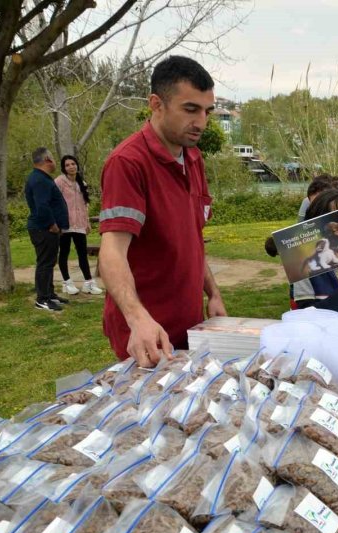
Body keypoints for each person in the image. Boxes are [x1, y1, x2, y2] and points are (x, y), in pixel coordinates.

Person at [98, 56, 226, 366]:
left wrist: (213, 294)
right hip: (147, 335)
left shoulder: (193, 158)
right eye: (190, 109)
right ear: (156, 104)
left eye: (207, 111)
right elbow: (112, 251)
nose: (201, 123)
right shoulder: (128, 162)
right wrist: (137, 318)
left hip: (191, 327)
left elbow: (192, 239)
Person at [24, 147, 70, 312]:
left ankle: (50, 294)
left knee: (50, 262)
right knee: (44, 263)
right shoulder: (39, 180)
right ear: (47, 160)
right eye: (53, 158)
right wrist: (52, 225)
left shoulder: (43, 178)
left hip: (48, 229)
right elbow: (42, 206)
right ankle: (42, 299)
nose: (55, 162)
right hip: (43, 229)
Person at [55, 155, 103, 296]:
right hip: (65, 224)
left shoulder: (82, 183)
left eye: (73, 164)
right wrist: (57, 223)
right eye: (67, 165)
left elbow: (84, 205)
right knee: (64, 252)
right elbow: (54, 202)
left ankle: (89, 283)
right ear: (64, 168)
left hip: (80, 224)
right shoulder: (59, 182)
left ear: (77, 165)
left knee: (82, 253)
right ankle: (67, 282)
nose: (71, 167)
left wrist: (87, 222)